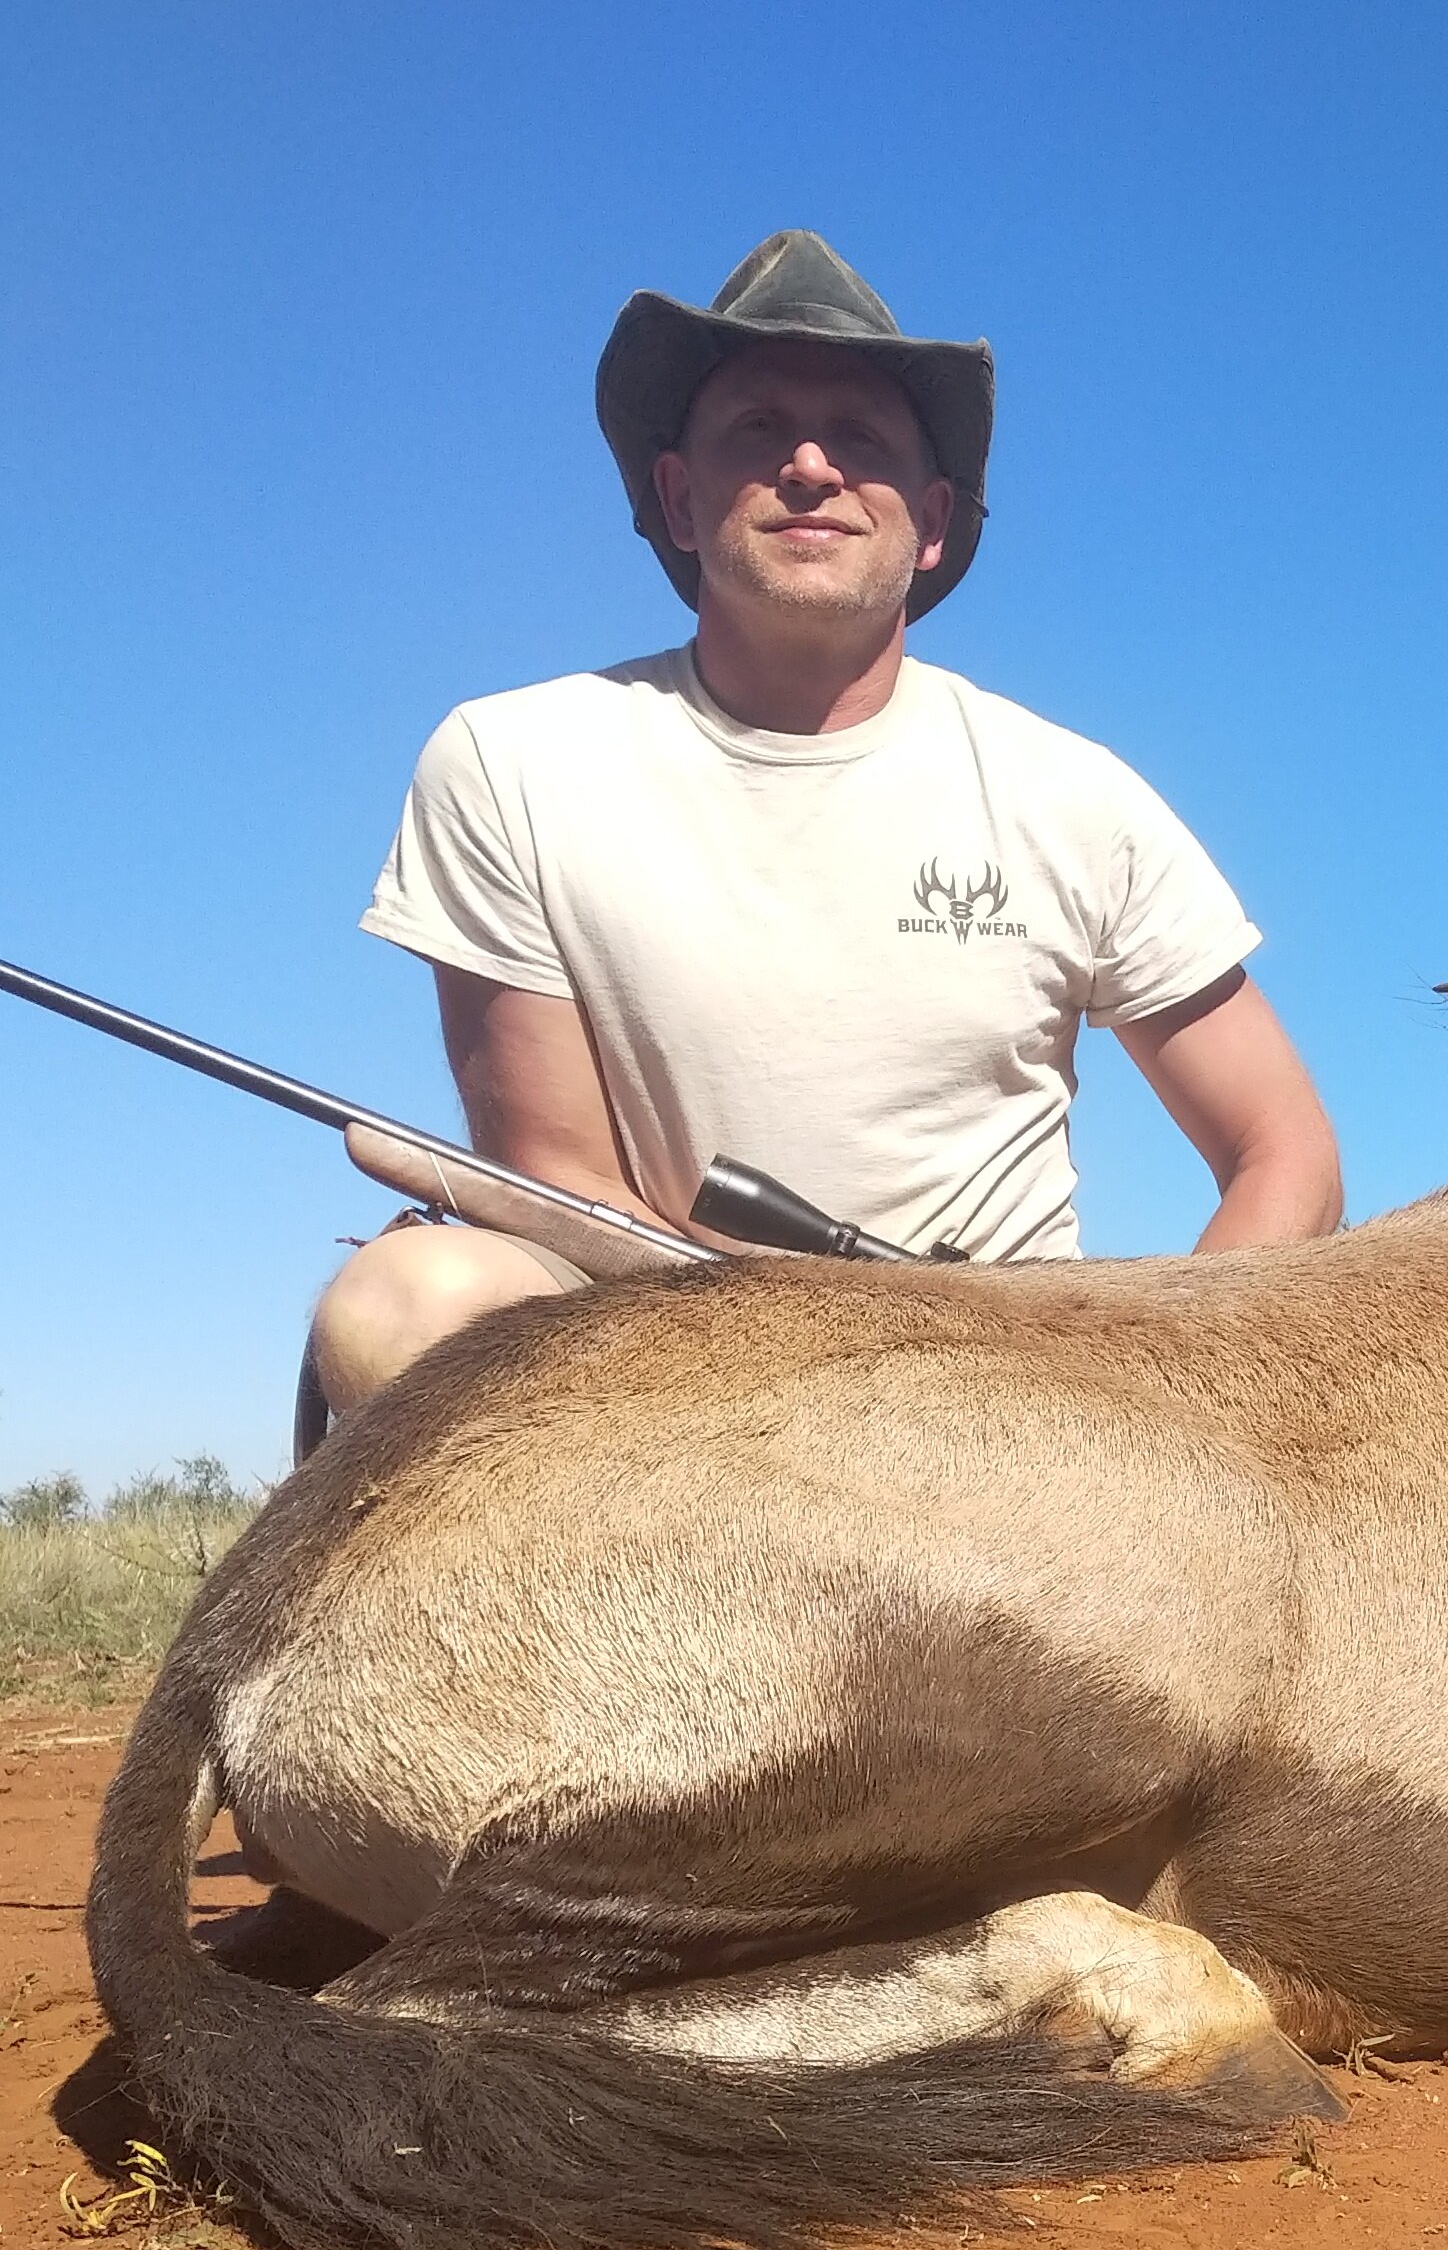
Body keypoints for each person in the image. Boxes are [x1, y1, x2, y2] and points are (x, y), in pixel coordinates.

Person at [306, 229, 1341, 1424]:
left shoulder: (1074, 793)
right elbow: (558, 1173)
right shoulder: (507, 757)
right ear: (680, 500)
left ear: (935, 520)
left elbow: (1285, 1150)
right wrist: (799, 1360)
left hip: (1022, 1402)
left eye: (861, 439)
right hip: (658, 1353)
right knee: (406, 1300)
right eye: (758, 430)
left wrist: (1150, 1396)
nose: (809, 465)